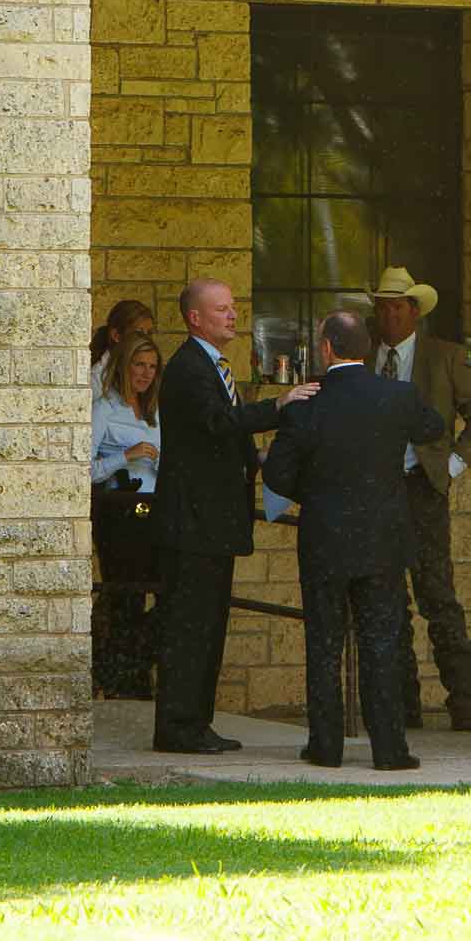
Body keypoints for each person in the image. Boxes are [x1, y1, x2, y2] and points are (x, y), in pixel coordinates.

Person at [263, 311, 446, 771]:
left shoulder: (307, 404)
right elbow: (433, 428)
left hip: (324, 537)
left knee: (324, 642)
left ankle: (326, 746)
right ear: (368, 349)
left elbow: (278, 474)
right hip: (383, 536)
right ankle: (390, 749)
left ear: (326, 349)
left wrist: (321, 493)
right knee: (381, 641)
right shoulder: (397, 395)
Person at [149, 277, 316, 754]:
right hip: (193, 523)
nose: (232, 315)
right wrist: (279, 405)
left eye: (234, 307)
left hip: (214, 523)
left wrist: (259, 460)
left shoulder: (216, 367)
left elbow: (228, 435)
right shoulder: (187, 369)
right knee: (190, 625)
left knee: (209, 624)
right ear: (194, 318)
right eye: (221, 309)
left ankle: (197, 722)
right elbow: (217, 423)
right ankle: (178, 726)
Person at [371, 266, 471, 732]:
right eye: (382, 306)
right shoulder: (363, 359)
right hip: (376, 490)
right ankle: (403, 702)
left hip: (423, 486)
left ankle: (461, 699)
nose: (389, 314)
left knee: (437, 594)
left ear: (414, 311)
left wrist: (454, 464)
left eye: (397, 306)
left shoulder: (443, 357)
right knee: (386, 598)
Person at [91, 334, 163, 700]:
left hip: (153, 510)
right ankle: (122, 678)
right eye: (139, 364)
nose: (145, 374)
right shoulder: (105, 408)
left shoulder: (154, 410)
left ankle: (123, 667)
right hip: (119, 511)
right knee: (125, 597)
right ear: (123, 365)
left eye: (152, 367)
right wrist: (126, 456)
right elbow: (83, 469)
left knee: (165, 595)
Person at [89, 299, 155, 397]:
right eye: (139, 333)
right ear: (116, 336)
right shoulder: (96, 381)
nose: (145, 340)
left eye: (149, 333)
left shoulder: (149, 374)